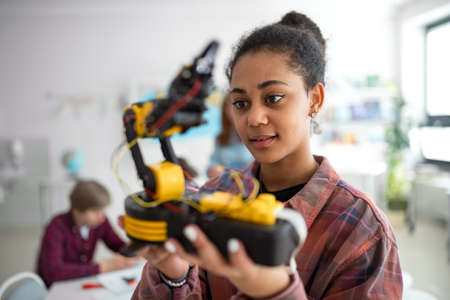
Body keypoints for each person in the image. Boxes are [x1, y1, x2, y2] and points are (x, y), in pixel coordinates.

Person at [131, 11, 403, 299]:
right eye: (240, 102)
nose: (254, 118)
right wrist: (175, 276)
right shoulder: (210, 199)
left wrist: (277, 292)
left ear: (315, 99)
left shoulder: (361, 230)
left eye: (273, 97)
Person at [37, 180, 139, 287]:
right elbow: (53, 273)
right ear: (77, 210)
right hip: (55, 288)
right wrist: (102, 267)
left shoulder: (100, 222)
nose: (102, 216)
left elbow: (118, 245)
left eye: (102, 210)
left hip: (80, 282)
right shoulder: (56, 227)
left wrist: (135, 247)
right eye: (95, 211)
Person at [207, 94, 254, 178]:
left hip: (253, 186)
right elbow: (213, 163)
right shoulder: (221, 138)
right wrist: (212, 170)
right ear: (225, 111)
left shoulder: (256, 134)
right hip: (227, 188)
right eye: (229, 108)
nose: (232, 111)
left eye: (238, 106)